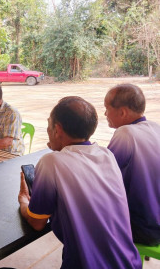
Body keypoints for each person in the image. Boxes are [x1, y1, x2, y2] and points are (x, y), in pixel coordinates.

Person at [18, 96, 141, 268]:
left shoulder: (51, 162)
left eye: (49, 124)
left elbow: (37, 222)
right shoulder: (106, 155)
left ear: (58, 129)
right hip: (130, 263)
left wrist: (24, 200)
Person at [105, 84, 160, 246]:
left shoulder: (126, 133)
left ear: (122, 112)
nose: (105, 114)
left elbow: (103, 177)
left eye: (106, 108)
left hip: (145, 229)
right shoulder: (155, 128)